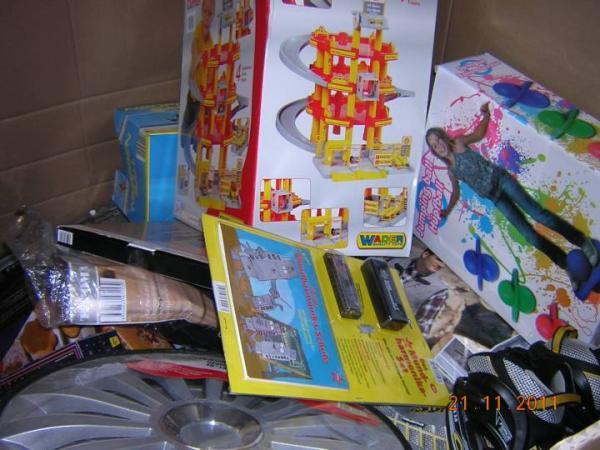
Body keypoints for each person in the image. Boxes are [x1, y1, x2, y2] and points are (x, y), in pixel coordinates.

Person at [426, 102, 598, 289]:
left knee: (539, 215)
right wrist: (447, 210)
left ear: (444, 137)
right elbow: (455, 192)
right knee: (530, 236)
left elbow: (478, 134)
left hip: (502, 181)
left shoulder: (459, 143)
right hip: (495, 198)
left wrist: (486, 116)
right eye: (434, 146)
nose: (438, 146)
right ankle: (567, 266)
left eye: (438, 140)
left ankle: (583, 241)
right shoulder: (451, 170)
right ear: (435, 151)